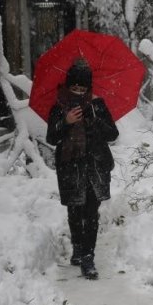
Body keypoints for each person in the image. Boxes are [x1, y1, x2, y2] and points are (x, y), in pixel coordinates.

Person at [46, 58, 118, 280]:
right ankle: (78, 246)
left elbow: (113, 135)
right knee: (75, 211)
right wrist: (65, 122)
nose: (78, 92)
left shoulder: (97, 105)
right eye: (74, 87)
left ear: (88, 87)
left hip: (95, 166)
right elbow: (52, 137)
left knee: (91, 212)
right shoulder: (59, 107)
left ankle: (88, 257)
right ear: (68, 86)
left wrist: (95, 120)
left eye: (82, 88)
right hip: (70, 168)